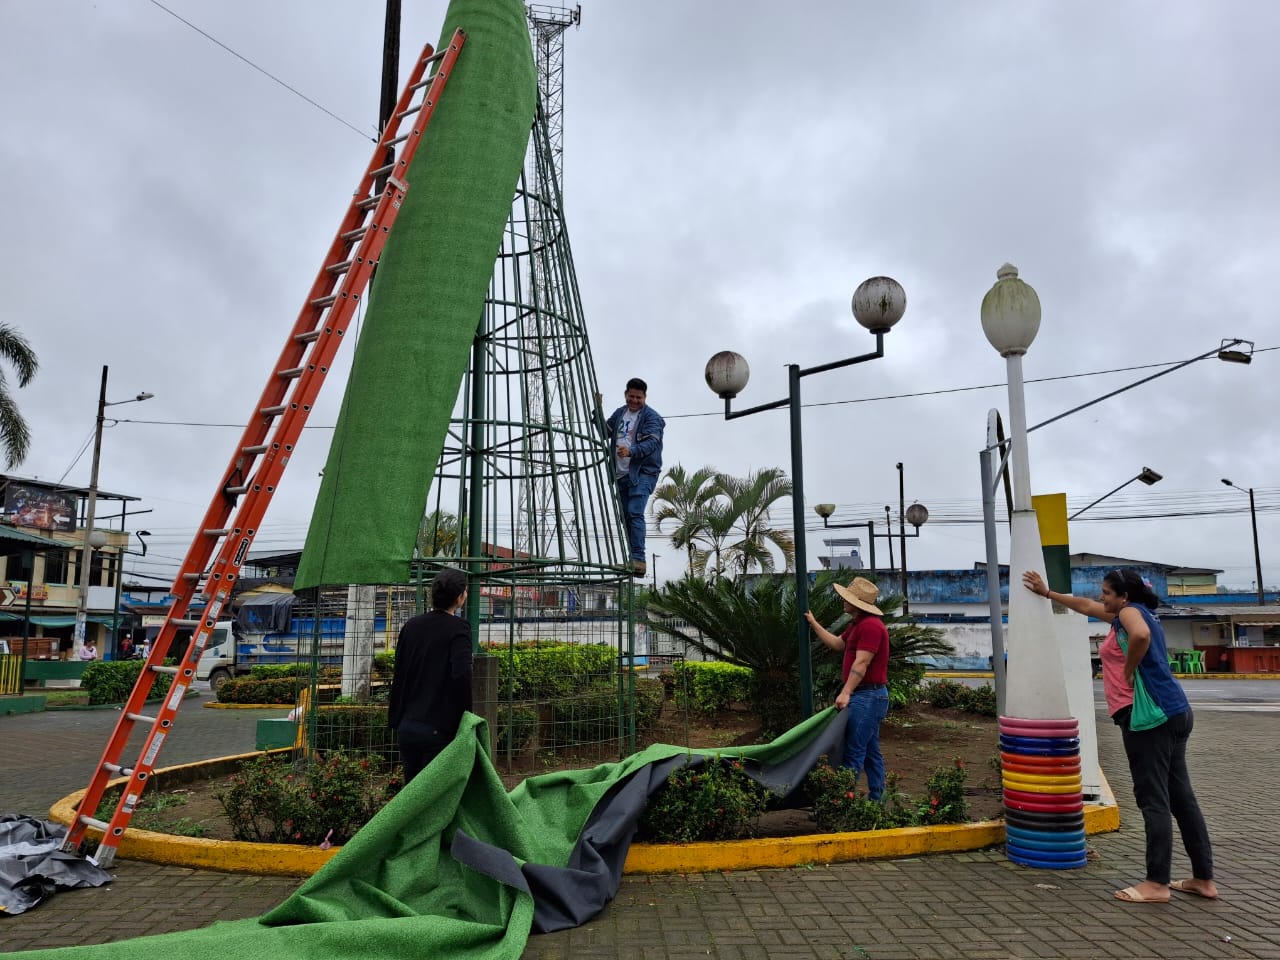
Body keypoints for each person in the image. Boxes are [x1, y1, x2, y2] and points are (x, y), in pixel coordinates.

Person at [1022, 567, 1217, 904]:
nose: (1101, 597)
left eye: (1107, 593)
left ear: (1124, 596)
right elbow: (1085, 606)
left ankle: (1156, 884)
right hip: (1174, 711)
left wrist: (1129, 667)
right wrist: (1048, 593)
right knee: (1181, 799)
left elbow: (1139, 636)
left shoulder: (1129, 614)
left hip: (1148, 716)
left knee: (1153, 799)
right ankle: (1203, 880)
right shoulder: (1131, 613)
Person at [803, 576, 891, 801]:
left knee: (854, 750)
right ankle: (876, 799)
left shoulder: (870, 626)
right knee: (870, 750)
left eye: (847, 598)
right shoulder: (857, 625)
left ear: (856, 603)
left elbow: (862, 663)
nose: (843, 600)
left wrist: (846, 692)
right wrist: (814, 623)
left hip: (868, 696)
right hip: (867, 696)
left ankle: (842, 802)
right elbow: (837, 644)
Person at [388, 568, 474, 783]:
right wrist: (464, 721)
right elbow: (462, 675)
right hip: (438, 728)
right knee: (436, 794)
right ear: (460, 597)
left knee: (413, 793)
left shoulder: (411, 626)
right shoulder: (459, 629)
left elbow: (400, 671)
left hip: (407, 725)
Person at [599, 378, 665, 578]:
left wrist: (631, 451)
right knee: (626, 516)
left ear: (645, 397)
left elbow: (651, 444)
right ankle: (633, 560)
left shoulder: (652, 418)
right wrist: (597, 411)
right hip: (621, 474)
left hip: (642, 472)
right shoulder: (620, 413)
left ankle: (638, 559)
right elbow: (605, 432)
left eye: (638, 397)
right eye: (631, 396)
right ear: (625, 394)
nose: (634, 400)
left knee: (635, 512)